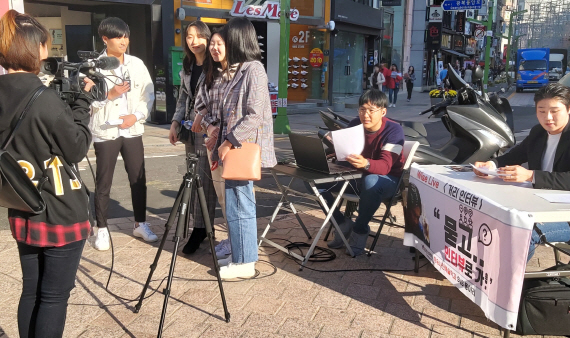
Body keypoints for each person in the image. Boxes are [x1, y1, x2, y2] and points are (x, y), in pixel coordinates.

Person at [0, 10, 94, 337]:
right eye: (44, 45)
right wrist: (82, 103)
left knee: (31, 291)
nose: (46, 52)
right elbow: (76, 147)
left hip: (21, 203)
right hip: (59, 209)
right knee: (53, 297)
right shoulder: (44, 99)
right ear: (31, 48)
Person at [194, 18, 277, 278]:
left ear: (239, 39)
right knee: (234, 204)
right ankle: (240, 255)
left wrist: (228, 142)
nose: (222, 44)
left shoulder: (254, 69)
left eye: (227, 38)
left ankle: (245, 263)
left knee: (241, 205)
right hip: (231, 148)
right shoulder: (236, 70)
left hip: (241, 148)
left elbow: (253, 115)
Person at [474, 83, 570, 261]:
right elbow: (516, 155)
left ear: (568, 109)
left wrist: (531, 175)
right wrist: (491, 165)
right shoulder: (538, 132)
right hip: (538, 206)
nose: (548, 117)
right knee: (493, 218)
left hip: (566, 216)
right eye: (541, 111)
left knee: (523, 233)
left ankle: (511, 285)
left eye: (555, 111)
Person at [88, 17, 157, 251]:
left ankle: (140, 223)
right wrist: (110, 95)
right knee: (103, 182)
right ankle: (102, 229)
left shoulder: (136, 64)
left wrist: (135, 116)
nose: (124, 41)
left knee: (138, 179)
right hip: (106, 130)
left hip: (132, 129)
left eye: (126, 36)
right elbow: (85, 102)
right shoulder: (94, 66)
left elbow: (148, 95)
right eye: (118, 37)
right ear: (105, 39)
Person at [309, 89, 404, 255]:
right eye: (362, 109)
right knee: (311, 179)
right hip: (356, 176)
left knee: (371, 181)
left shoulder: (394, 130)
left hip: (387, 180)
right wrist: (335, 154)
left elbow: (384, 167)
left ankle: (359, 230)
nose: (365, 115)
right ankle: (341, 224)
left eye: (371, 110)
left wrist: (365, 163)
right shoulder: (355, 125)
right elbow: (345, 154)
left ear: (383, 111)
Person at [168, 21, 224, 255]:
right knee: (192, 175)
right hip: (190, 127)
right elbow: (183, 98)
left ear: (208, 38)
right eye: (190, 37)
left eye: (200, 36)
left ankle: (201, 228)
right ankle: (199, 225)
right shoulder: (188, 65)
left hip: (208, 128)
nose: (194, 41)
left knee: (204, 179)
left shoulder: (216, 66)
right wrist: (174, 122)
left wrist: (209, 125)